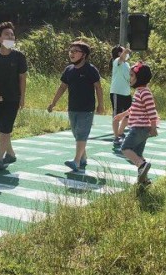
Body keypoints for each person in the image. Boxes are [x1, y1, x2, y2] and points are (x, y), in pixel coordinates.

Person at [47, 40, 104, 173]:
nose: (71, 54)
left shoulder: (91, 69)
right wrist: (53, 102)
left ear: (83, 55)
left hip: (87, 109)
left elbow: (98, 87)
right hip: (72, 108)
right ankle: (83, 157)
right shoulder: (69, 70)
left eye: (75, 51)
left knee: (82, 134)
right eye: (70, 51)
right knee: (76, 133)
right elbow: (62, 87)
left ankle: (76, 161)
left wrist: (101, 105)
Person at [0, 21, 28, 170]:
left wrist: (22, 97)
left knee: (5, 129)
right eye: (6, 34)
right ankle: (10, 153)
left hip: (13, 98)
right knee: (1, 128)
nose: (10, 36)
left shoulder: (19, 56)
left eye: (12, 34)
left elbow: (22, 78)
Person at [114, 62, 159, 185]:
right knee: (138, 154)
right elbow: (133, 108)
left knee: (125, 148)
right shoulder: (139, 92)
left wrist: (153, 127)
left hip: (139, 128)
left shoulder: (145, 92)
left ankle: (142, 165)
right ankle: (144, 180)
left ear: (140, 78)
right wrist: (122, 115)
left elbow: (152, 111)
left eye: (132, 75)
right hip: (141, 128)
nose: (130, 78)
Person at [109, 45, 132, 150]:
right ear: (119, 53)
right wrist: (125, 51)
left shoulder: (127, 64)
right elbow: (121, 58)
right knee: (117, 115)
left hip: (126, 93)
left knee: (128, 114)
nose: (127, 54)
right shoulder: (116, 61)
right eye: (123, 52)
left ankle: (120, 132)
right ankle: (116, 137)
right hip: (117, 92)